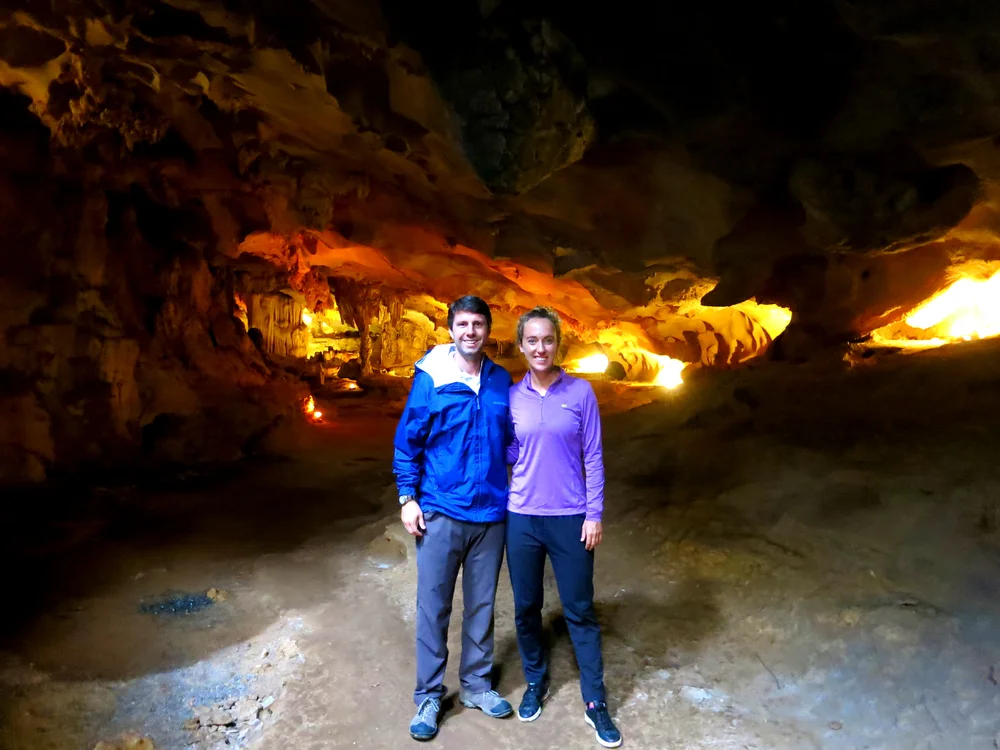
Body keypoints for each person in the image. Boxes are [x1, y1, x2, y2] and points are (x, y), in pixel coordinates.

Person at [393, 295, 515, 741]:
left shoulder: (501, 380)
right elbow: (408, 440)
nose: (470, 332)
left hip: (491, 513)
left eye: (478, 324)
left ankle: (477, 685)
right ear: (450, 330)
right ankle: (429, 695)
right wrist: (408, 496)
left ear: (488, 330)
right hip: (442, 509)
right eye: (462, 324)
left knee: (482, 604)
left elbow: (512, 440)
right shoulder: (432, 377)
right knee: (434, 606)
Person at [506, 306, 623, 748]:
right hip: (522, 516)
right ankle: (536, 681)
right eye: (532, 341)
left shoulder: (580, 392)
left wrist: (594, 513)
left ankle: (595, 700)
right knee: (526, 607)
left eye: (548, 340)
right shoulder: (512, 397)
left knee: (579, 609)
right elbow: (511, 451)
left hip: (571, 517)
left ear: (558, 344)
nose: (540, 348)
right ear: (521, 347)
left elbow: (593, 455)